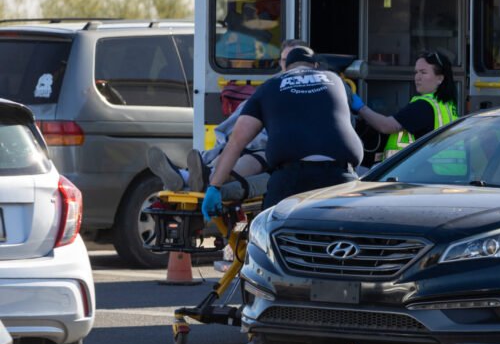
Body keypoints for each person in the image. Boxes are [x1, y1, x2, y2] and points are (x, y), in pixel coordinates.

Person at [202, 45, 362, 219]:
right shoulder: (336, 81)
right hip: (341, 176)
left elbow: (236, 143)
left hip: (291, 179)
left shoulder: (269, 87)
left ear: (285, 68)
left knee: (276, 237)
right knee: (342, 238)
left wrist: (214, 187)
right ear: (315, 66)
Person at [148, 39, 308, 201]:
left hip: (274, 151)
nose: (289, 65)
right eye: (285, 60)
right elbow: (237, 126)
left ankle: (193, 176)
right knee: (228, 152)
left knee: (252, 158)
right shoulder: (270, 89)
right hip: (250, 145)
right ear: (280, 63)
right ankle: (192, 175)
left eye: (293, 60)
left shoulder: (309, 91)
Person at [350, 50, 458, 162]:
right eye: (416, 72)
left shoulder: (424, 105)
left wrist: (361, 108)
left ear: (440, 78)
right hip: (443, 173)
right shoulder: (447, 105)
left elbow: (387, 126)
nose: (417, 77)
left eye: (423, 72)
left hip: (422, 174)